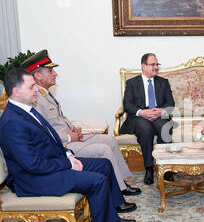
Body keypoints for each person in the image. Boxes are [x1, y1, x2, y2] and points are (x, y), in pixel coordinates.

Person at [0, 68, 137, 222]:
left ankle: (110, 217)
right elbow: (32, 164)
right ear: (16, 91)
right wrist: (66, 163)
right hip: (34, 180)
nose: (35, 90)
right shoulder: (11, 121)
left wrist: (68, 154)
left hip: (48, 167)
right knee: (96, 181)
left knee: (104, 164)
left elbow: (52, 140)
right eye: (31, 86)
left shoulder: (28, 110)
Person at [20, 50, 141, 197]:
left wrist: (74, 129)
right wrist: (70, 137)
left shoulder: (44, 93)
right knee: (104, 150)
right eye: (50, 70)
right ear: (38, 75)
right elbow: (44, 131)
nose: (55, 74)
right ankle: (116, 191)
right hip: (62, 144)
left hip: (70, 137)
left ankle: (121, 181)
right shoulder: (36, 97)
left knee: (110, 139)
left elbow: (59, 119)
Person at [120, 53, 176, 185]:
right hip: (140, 116)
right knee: (145, 129)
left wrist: (161, 111)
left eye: (157, 64)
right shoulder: (132, 83)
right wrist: (142, 112)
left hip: (158, 114)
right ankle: (149, 168)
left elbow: (170, 103)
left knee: (164, 127)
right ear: (143, 66)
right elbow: (127, 105)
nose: (156, 67)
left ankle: (166, 168)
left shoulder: (163, 82)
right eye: (153, 64)